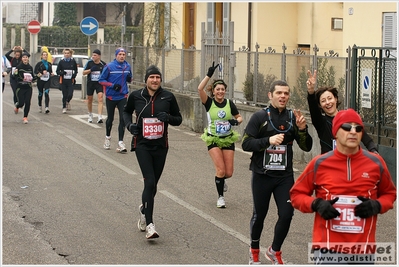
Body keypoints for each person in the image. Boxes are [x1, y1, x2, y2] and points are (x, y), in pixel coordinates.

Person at [290, 108, 396, 265]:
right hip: (327, 250)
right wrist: (316, 204)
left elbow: (390, 193)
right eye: (347, 127)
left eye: (358, 128)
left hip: (363, 251)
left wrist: (377, 205)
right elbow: (296, 195)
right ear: (335, 132)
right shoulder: (319, 163)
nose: (353, 131)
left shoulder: (376, 163)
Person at [242, 80, 313, 265]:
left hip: (284, 177)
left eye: (286, 93)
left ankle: (274, 250)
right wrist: (268, 141)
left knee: (287, 214)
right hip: (262, 175)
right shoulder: (259, 117)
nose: (283, 96)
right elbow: (246, 143)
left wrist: (303, 129)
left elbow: (306, 147)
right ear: (270, 95)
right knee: (260, 215)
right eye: (279, 93)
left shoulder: (292, 118)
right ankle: (254, 250)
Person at [123, 65, 182, 239]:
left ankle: (143, 209)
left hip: (161, 146)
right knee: (149, 183)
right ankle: (150, 224)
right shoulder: (136, 96)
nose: (155, 80)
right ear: (146, 80)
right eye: (152, 77)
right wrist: (129, 126)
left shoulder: (168, 97)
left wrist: (168, 118)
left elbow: (178, 119)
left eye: (158, 77)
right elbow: (126, 111)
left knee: (153, 185)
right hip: (142, 144)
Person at [198, 62, 243, 208]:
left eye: (223, 89)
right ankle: (220, 197)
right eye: (218, 89)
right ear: (213, 91)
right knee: (221, 170)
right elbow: (199, 88)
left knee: (228, 173)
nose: (220, 92)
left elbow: (239, 117)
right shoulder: (209, 103)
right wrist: (208, 74)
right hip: (213, 139)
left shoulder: (230, 103)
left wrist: (236, 122)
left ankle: (222, 181)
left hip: (228, 138)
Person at [306, 70, 378, 154]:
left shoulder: (349, 118)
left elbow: (366, 139)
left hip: (351, 162)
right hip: (330, 164)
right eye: (323, 101)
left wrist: (374, 151)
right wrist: (311, 92)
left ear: (335, 99)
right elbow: (313, 110)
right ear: (320, 105)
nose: (328, 102)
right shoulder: (321, 123)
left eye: (330, 98)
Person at [99, 47, 132, 152]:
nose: (122, 56)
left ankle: (120, 142)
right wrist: (112, 85)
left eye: (123, 54)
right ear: (116, 55)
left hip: (123, 96)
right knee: (110, 119)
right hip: (111, 96)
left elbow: (130, 78)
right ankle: (107, 138)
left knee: (123, 119)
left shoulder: (127, 66)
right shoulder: (109, 67)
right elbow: (101, 80)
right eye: (120, 54)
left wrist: (129, 79)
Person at [83, 49, 106, 123]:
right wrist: (90, 70)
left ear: (99, 56)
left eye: (95, 55)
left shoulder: (103, 64)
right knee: (90, 99)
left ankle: (100, 116)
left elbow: (107, 73)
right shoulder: (89, 63)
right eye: (93, 55)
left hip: (99, 83)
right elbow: (83, 72)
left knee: (100, 98)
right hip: (91, 83)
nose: (93, 57)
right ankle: (90, 114)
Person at [13, 52, 36, 123]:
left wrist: (37, 76)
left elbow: (33, 77)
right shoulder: (19, 67)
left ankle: (25, 117)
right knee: (21, 103)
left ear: (28, 59)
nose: (25, 59)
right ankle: (17, 106)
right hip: (20, 87)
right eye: (23, 57)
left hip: (28, 87)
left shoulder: (30, 67)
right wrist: (16, 74)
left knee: (28, 102)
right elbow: (14, 77)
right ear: (22, 59)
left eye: (26, 57)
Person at [56, 48, 78, 114]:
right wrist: (62, 73)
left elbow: (76, 70)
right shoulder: (61, 62)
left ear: (70, 54)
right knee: (64, 94)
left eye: (68, 53)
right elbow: (57, 71)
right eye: (65, 53)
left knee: (70, 94)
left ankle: (67, 101)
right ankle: (64, 107)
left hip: (70, 80)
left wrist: (74, 75)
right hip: (63, 81)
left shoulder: (73, 61)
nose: (66, 54)